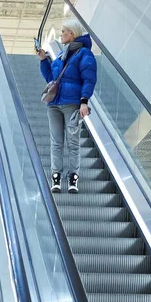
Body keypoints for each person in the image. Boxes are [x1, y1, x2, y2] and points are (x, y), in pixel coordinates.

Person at [37, 19, 97, 194]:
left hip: (72, 103)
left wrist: (84, 101)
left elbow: (89, 78)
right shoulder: (61, 56)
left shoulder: (84, 54)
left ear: (72, 34)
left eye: (64, 31)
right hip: (54, 104)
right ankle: (56, 177)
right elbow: (50, 78)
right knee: (56, 142)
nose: (61, 34)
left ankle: (73, 178)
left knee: (72, 143)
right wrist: (43, 60)